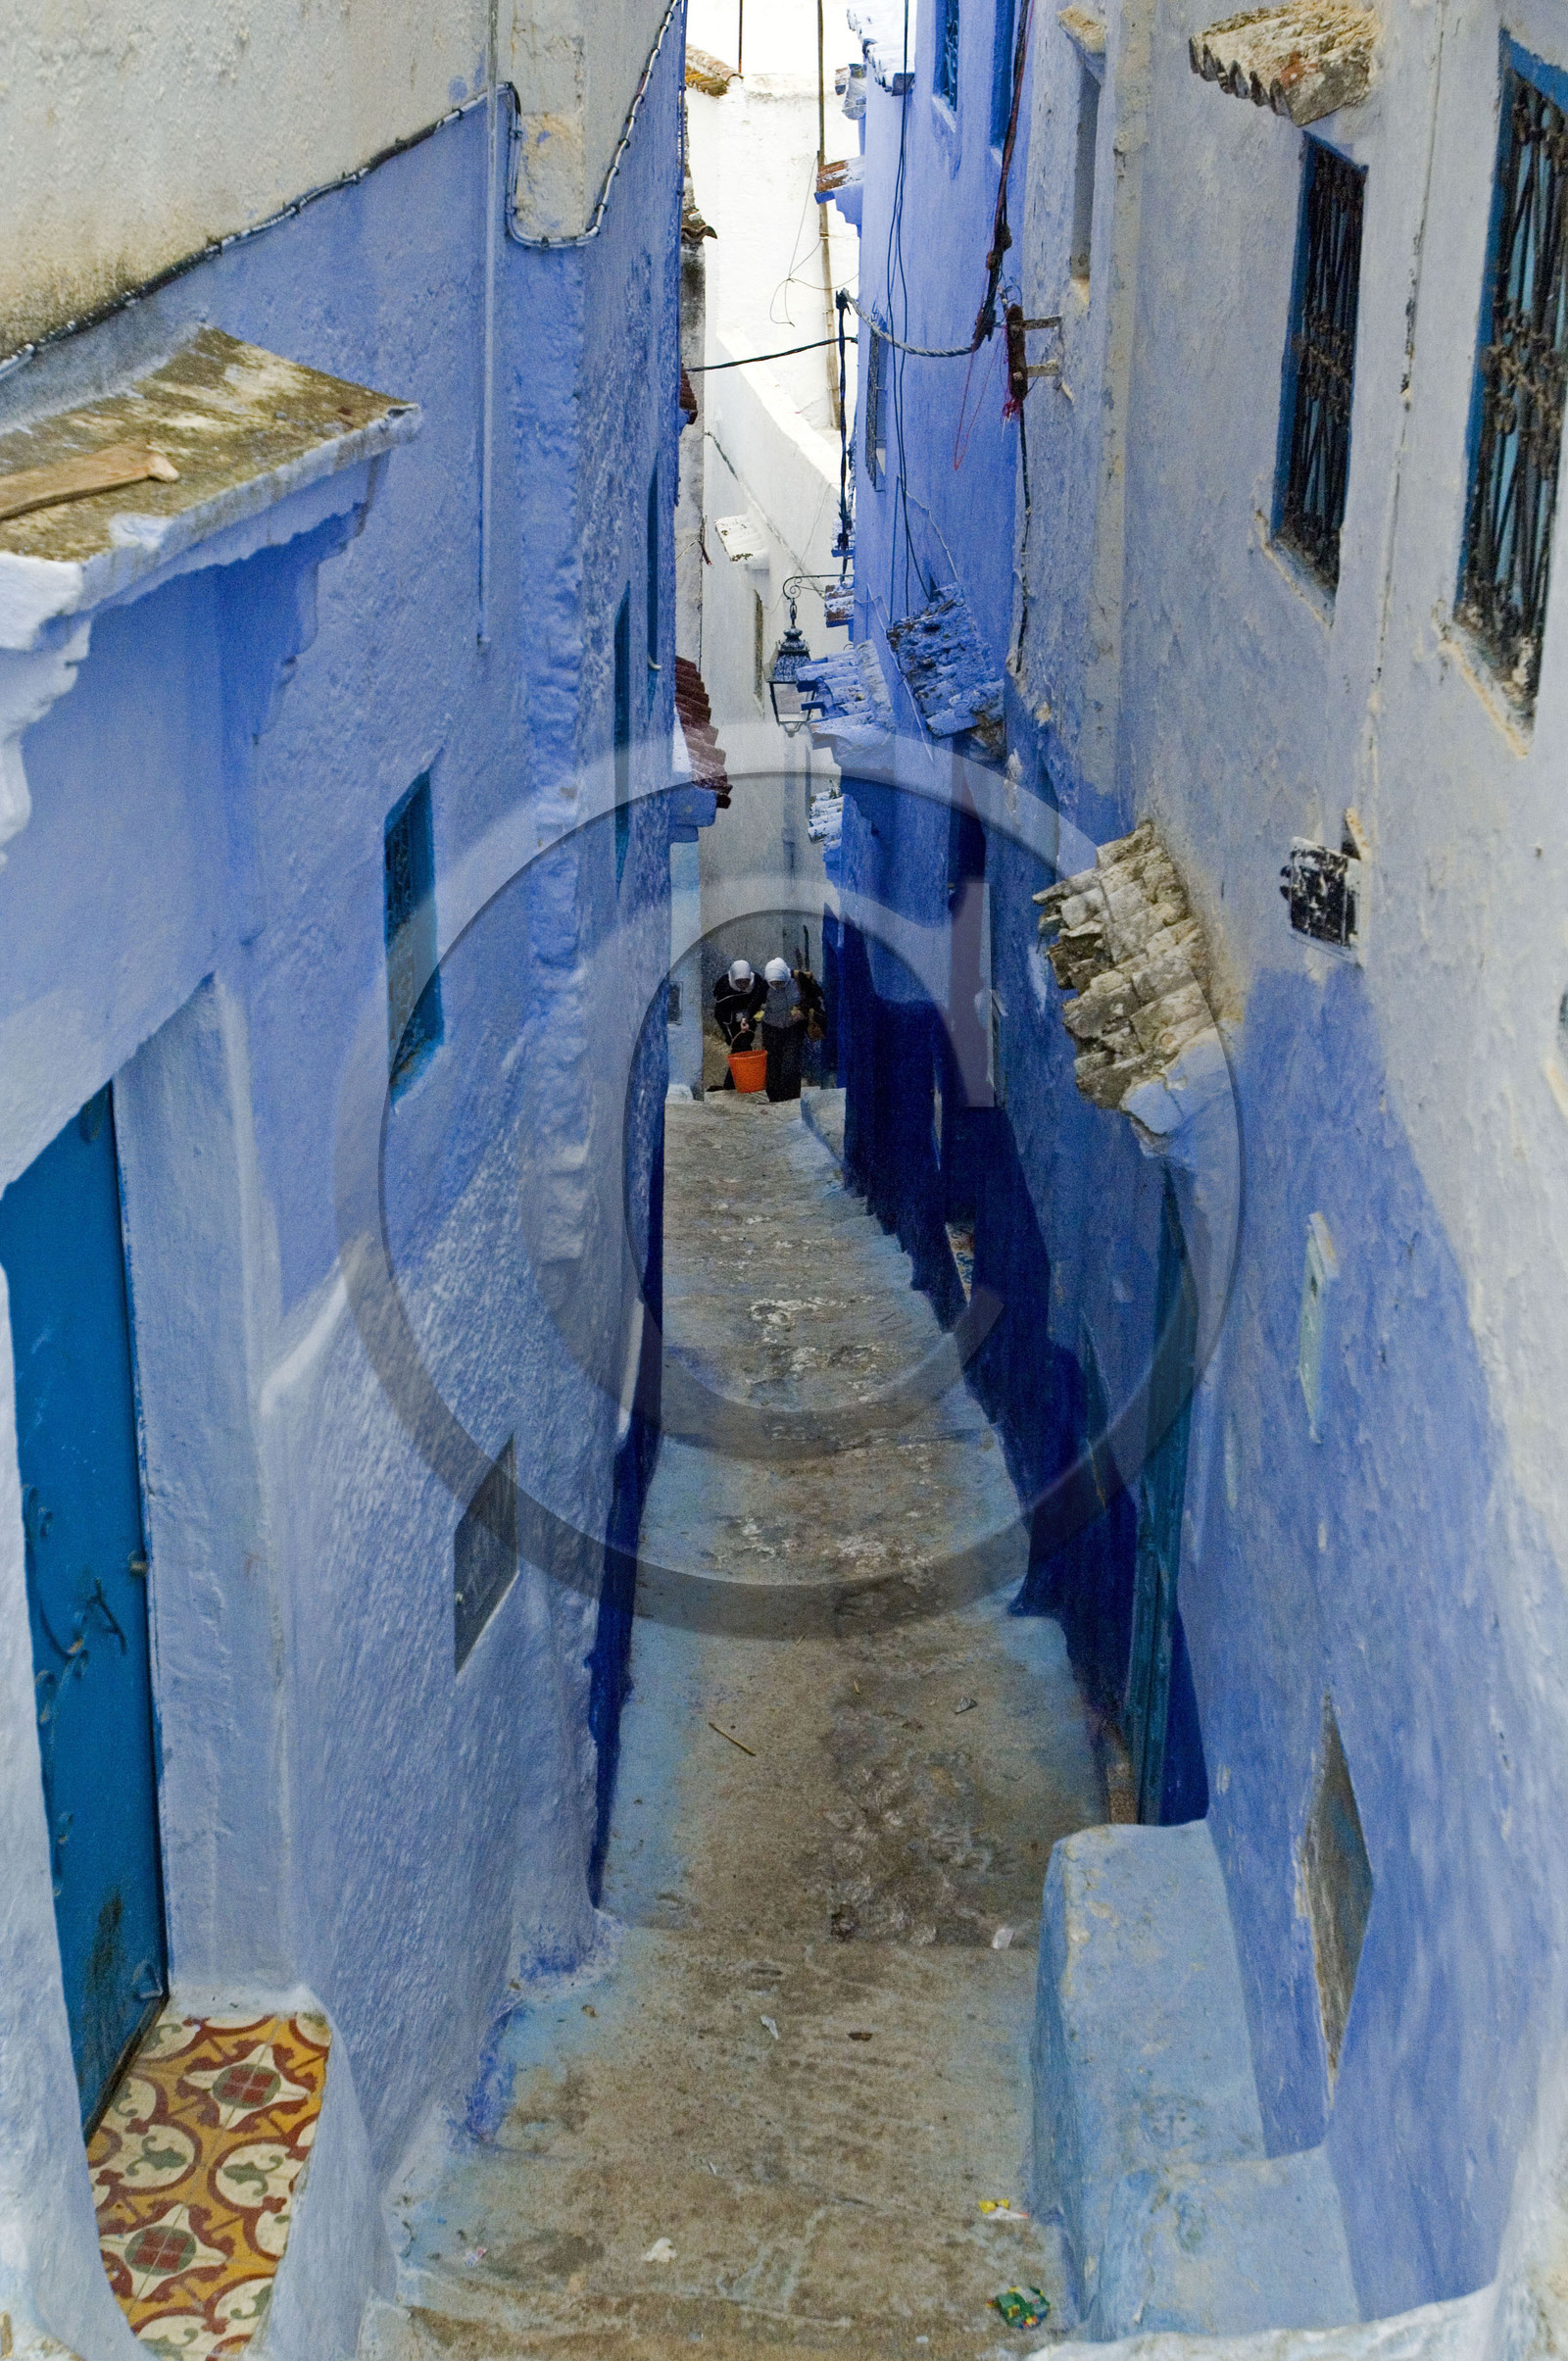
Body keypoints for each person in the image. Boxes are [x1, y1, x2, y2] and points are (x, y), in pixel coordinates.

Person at [760, 956, 806, 1102]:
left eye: (779, 983)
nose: (777, 986)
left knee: (791, 1063)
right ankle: (774, 1097)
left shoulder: (799, 980)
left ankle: (792, 1097)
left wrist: (802, 1010)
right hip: (772, 1028)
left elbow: (813, 997)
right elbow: (754, 1004)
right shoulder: (764, 985)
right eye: (774, 983)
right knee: (773, 1062)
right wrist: (747, 1020)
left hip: (793, 1027)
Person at [713, 958, 765, 1087]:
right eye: (739, 982)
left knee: (743, 1046)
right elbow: (719, 1014)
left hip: (750, 1020)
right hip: (731, 1023)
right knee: (739, 1048)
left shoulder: (757, 982)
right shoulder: (724, 986)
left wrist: (752, 1017)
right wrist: (727, 1034)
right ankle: (738, 1082)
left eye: (746, 981)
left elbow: (761, 1002)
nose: (743, 985)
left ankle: (735, 1082)